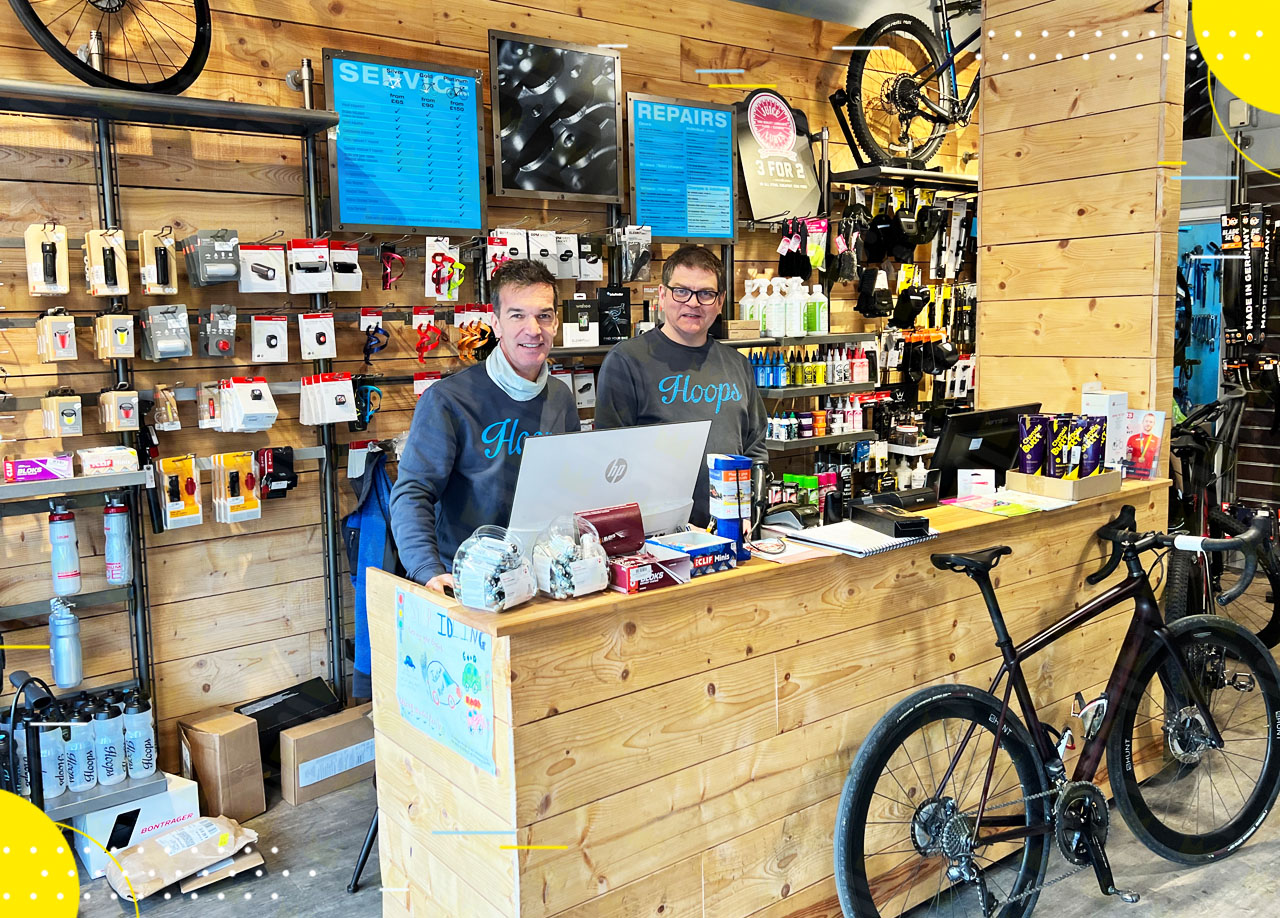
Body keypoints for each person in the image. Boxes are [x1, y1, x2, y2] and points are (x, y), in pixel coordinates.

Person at [390, 259, 579, 593]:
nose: (533, 329)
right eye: (517, 315)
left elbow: (570, 486)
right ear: (496, 323)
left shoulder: (560, 396)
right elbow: (413, 492)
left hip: (542, 576)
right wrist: (427, 570)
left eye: (543, 315)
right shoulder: (447, 400)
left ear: (556, 322)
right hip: (468, 582)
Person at [595, 245, 767, 526]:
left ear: (720, 301)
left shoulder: (737, 364)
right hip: (659, 537)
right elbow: (610, 460)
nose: (693, 302)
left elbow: (755, 446)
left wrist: (751, 508)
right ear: (662, 295)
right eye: (681, 291)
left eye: (706, 294)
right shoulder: (627, 361)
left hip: (731, 527)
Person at [1125, 411, 1161, 479]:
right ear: (1142, 422)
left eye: (1151, 422)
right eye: (1146, 421)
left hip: (1148, 475)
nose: (1148, 424)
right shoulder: (1132, 438)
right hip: (1132, 475)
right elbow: (1127, 457)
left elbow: (1157, 461)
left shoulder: (1157, 440)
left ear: (1154, 424)